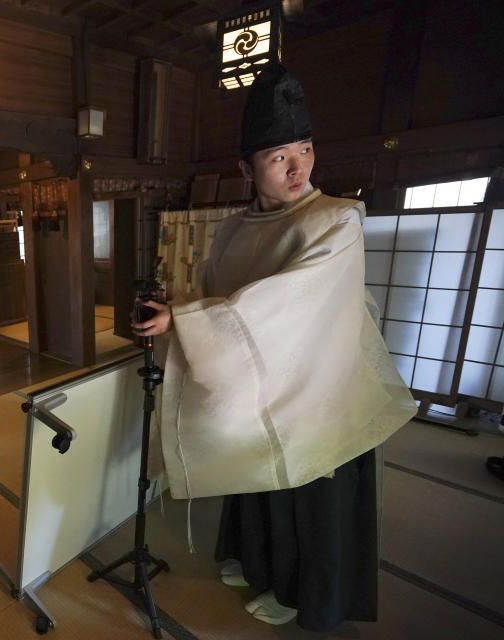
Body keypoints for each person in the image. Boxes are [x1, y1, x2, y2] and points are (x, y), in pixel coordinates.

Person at [131, 63, 416, 631]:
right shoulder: (233, 229)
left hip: (319, 384)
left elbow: (287, 302)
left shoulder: (335, 220)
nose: (298, 166)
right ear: (246, 167)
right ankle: (259, 565)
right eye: (279, 156)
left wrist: (187, 319)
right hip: (260, 378)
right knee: (253, 474)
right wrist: (179, 305)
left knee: (306, 495)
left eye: (305, 150)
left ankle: (300, 593)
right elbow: (218, 292)